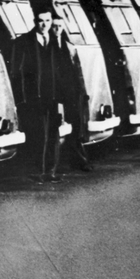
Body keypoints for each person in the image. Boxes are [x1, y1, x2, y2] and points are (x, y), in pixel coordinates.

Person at [11, 6, 64, 183]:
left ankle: (51, 171)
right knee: (38, 135)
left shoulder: (55, 41)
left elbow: (61, 72)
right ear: (35, 22)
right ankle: (38, 171)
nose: (44, 24)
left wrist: (62, 98)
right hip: (33, 98)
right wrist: (21, 100)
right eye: (41, 21)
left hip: (53, 96)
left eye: (48, 20)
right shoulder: (23, 42)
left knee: (53, 135)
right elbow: (16, 73)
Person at [51, 13, 92, 172]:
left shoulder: (69, 47)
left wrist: (82, 92)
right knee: (56, 130)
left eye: (60, 26)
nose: (57, 29)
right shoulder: (47, 47)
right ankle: (55, 165)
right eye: (54, 26)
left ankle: (80, 161)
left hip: (72, 94)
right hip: (56, 95)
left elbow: (78, 72)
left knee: (76, 128)